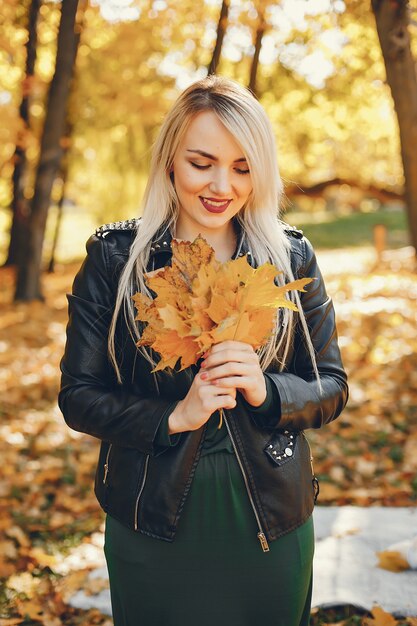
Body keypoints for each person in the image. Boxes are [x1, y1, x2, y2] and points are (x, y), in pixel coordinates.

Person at [58, 75, 348, 626]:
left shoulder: (289, 258)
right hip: (151, 517)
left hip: (270, 517)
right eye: (202, 162)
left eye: (242, 167)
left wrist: (268, 391)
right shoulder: (116, 260)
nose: (222, 185)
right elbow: (79, 396)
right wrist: (175, 415)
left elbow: (331, 385)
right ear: (170, 160)